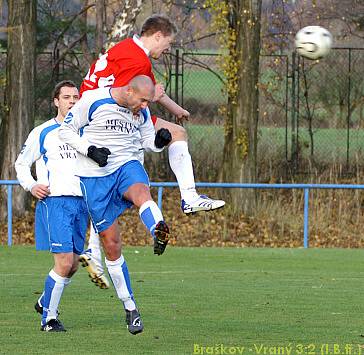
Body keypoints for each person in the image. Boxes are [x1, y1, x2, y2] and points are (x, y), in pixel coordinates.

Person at [78, 14, 225, 285]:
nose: (166, 50)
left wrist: (176, 109)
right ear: (157, 36)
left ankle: (93, 251)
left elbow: (150, 90)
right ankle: (189, 198)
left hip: (104, 117)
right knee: (140, 171)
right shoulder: (138, 58)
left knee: (114, 193)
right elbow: (129, 95)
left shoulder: (129, 50)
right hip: (110, 121)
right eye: (167, 44)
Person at [59, 75, 172, 335]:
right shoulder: (93, 100)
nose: (146, 106)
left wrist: (159, 142)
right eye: (143, 100)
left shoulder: (140, 111)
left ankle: (158, 229)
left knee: (142, 191)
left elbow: (147, 142)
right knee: (111, 244)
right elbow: (66, 131)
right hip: (94, 177)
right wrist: (90, 150)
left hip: (125, 165)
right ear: (129, 91)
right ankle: (130, 307)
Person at [15, 80, 89, 332]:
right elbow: (21, 163)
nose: (72, 101)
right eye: (66, 97)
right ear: (56, 101)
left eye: (75, 97)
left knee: (74, 264)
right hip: (55, 202)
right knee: (64, 261)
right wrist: (31, 185)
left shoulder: (87, 131)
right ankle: (49, 319)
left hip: (82, 204)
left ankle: (44, 300)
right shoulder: (43, 132)